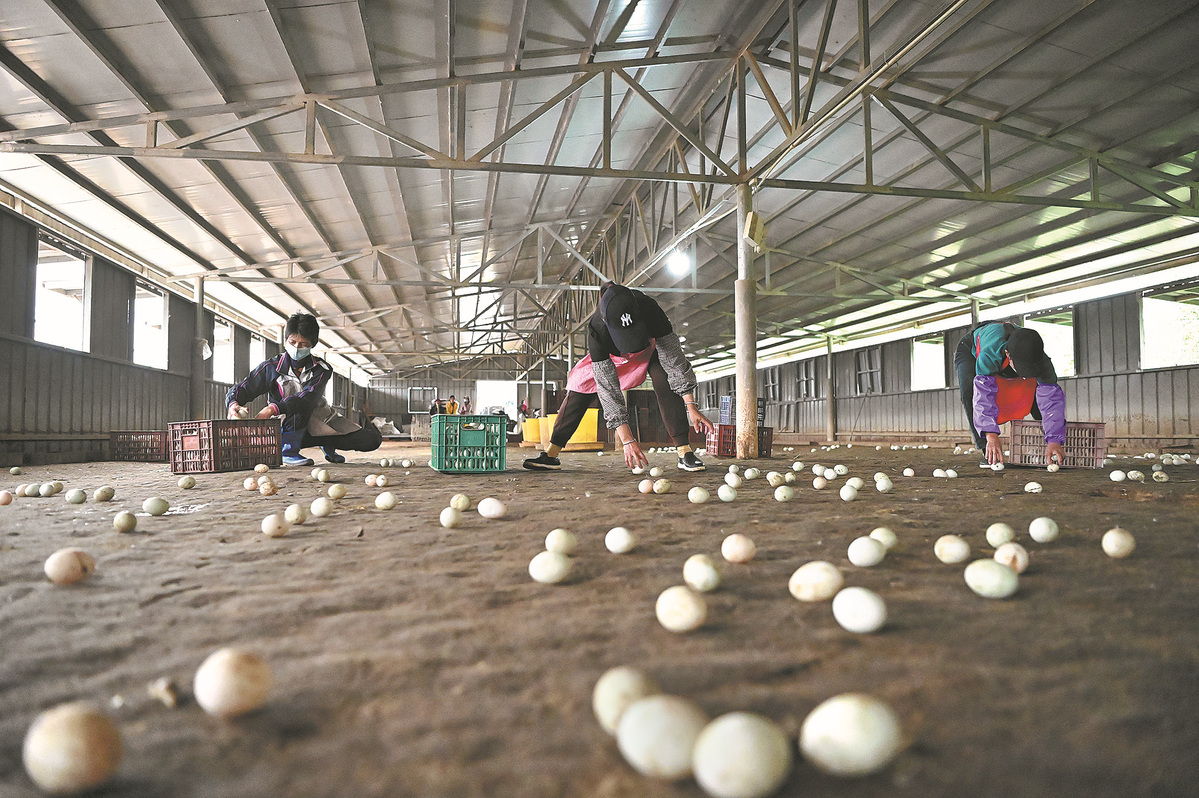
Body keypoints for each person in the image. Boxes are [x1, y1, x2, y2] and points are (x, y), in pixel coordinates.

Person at [524, 281, 715, 472]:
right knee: (579, 387)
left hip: (650, 349)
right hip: (614, 357)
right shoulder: (597, 329)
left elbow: (673, 358)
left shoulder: (650, 309)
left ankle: (684, 452)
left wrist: (691, 405)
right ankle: (551, 453)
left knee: (664, 377)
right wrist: (627, 439)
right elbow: (607, 388)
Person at [227, 313, 383, 466]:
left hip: (322, 421)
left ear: (312, 344)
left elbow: (308, 398)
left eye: (303, 344)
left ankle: (326, 441)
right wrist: (233, 403)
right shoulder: (270, 367)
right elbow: (243, 388)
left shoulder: (322, 369)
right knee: (295, 410)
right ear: (286, 340)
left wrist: (272, 408)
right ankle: (288, 451)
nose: (296, 347)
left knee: (371, 440)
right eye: (292, 341)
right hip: (285, 425)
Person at [954, 321, 1066, 467]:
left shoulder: (1043, 362)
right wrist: (991, 435)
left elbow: (1051, 400)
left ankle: (1054, 447)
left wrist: (1054, 440)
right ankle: (987, 450)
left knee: (1037, 389)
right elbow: (983, 395)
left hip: (1012, 353)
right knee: (969, 390)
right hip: (970, 348)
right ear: (1008, 355)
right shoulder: (990, 353)